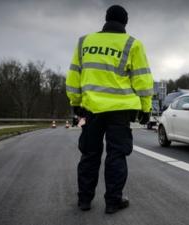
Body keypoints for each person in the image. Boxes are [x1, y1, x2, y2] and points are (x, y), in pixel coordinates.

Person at [65, 5, 153, 214]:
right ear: (125, 23)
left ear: (105, 19)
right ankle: (113, 201)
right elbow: (142, 80)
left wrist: (76, 103)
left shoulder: (84, 42)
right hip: (120, 111)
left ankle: (84, 200)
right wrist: (145, 108)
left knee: (89, 154)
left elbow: (73, 77)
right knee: (116, 155)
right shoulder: (133, 44)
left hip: (91, 108)